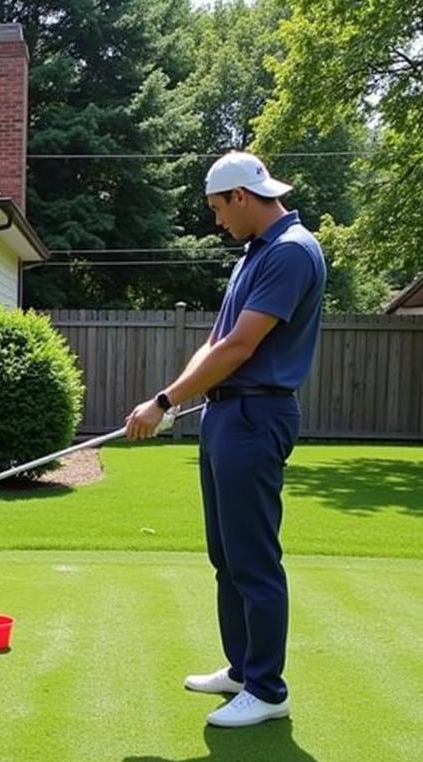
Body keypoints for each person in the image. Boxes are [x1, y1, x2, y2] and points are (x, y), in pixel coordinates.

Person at [125, 151, 326, 728]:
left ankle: (268, 689)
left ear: (242, 196)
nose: (216, 221)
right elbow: (216, 342)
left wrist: (164, 402)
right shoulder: (254, 254)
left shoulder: (290, 252)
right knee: (226, 556)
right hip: (225, 417)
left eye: (217, 208)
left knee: (254, 560)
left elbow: (241, 347)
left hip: (256, 418)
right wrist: (176, 400)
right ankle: (242, 669)